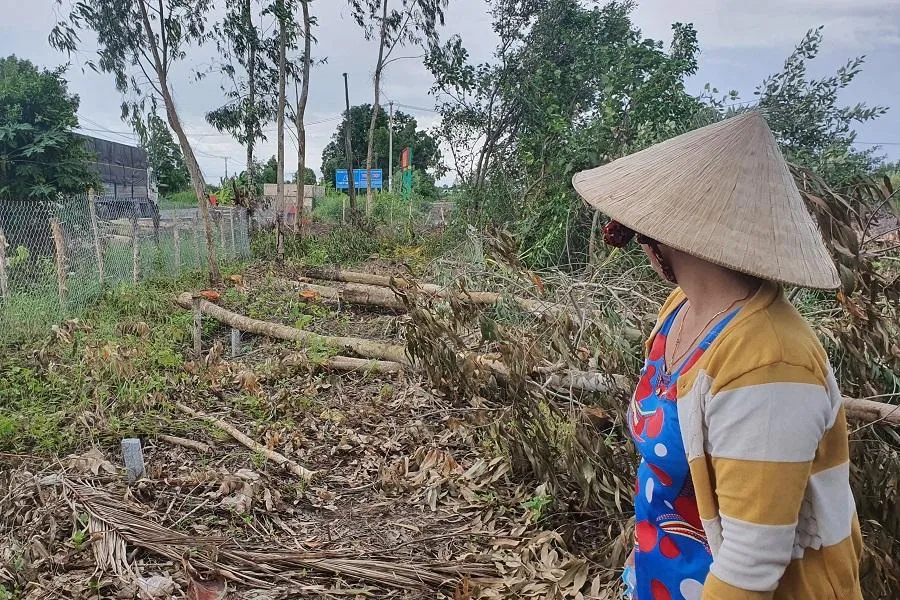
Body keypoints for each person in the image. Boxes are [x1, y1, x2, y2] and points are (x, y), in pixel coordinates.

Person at [572, 112, 863, 600]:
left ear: (663, 238)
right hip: (663, 573)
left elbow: (752, 563)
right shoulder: (680, 309)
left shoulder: (771, 362)